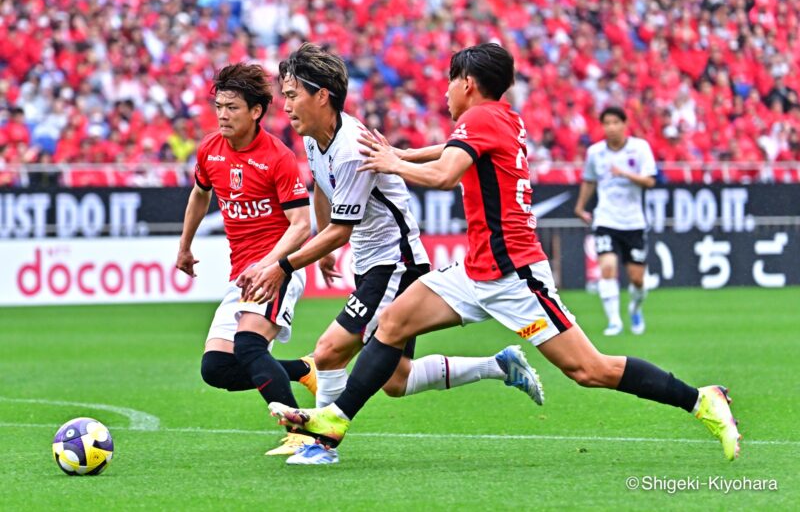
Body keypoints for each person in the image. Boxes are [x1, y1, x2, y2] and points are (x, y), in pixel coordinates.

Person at [268, 43, 741, 464]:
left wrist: (393, 162)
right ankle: (335, 420)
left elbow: (446, 174)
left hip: (515, 274)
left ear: (468, 83)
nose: (446, 93)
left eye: (450, 82)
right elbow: (446, 150)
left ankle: (701, 399)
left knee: (588, 369)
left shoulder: (480, 118)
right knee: (391, 324)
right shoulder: (501, 117)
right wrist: (402, 153)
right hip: (475, 271)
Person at [238, 43, 544, 464]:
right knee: (396, 380)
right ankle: (499, 365)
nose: (285, 105)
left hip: (395, 262)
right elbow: (322, 192)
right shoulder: (315, 138)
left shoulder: (349, 147)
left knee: (328, 351)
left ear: (321, 96)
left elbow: (341, 231)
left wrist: (280, 265)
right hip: (373, 262)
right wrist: (323, 236)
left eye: (292, 95)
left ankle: (319, 443)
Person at [176, 63, 318, 457]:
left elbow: (301, 224)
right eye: (219, 106)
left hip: (277, 269)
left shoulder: (278, 157)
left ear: (256, 111)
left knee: (250, 347)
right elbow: (200, 194)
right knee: (217, 369)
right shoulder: (210, 150)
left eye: (232, 107)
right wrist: (185, 246)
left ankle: (302, 432)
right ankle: (304, 370)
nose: (222, 114)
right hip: (243, 273)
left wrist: (272, 265)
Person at [574, 106, 657, 336]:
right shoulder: (595, 152)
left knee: (637, 279)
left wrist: (625, 174)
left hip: (633, 223)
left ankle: (635, 308)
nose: (610, 128)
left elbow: (650, 181)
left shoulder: (639, 148)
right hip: (606, 219)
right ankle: (614, 322)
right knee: (608, 269)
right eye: (606, 123)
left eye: (615, 122)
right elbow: (589, 180)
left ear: (624, 124)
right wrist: (580, 206)